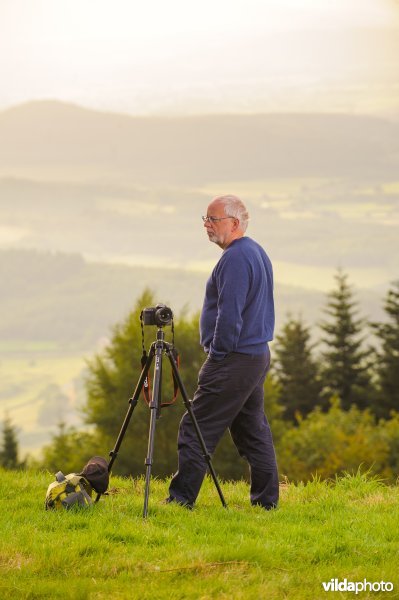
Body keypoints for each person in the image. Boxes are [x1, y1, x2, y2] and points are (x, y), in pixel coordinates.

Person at [167, 194, 279, 509]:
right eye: (205, 218)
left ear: (234, 223)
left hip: (234, 359)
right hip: (254, 356)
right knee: (252, 431)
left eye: (213, 219)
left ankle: (180, 500)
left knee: (196, 427)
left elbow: (230, 315)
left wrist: (216, 357)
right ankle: (266, 503)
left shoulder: (236, 258)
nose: (206, 225)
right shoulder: (255, 252)